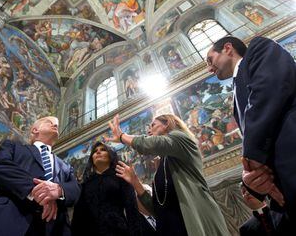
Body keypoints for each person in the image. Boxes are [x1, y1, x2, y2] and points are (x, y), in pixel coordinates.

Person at [206, 36, 295, 221]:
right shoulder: (237, 93)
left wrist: (250, 162)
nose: (209, 68)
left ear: (228, 48)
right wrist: (255, 181)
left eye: (210, 59)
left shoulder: (259, 48)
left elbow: (268, 92)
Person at [108, 114, 229, 236]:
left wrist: (122, 136)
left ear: (167, 124)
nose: (149, 130)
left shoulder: (181, 138)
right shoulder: (161, 168)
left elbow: (151, 144)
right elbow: (158, 209)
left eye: (153, 125)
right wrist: (135, 182)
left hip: (192, 223)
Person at [0, 116, 80, 236]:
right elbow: (0, 167)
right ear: (34, 130)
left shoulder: (66, 166)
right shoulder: (13, 147)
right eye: (50, 122)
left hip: (53, 228)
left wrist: (59, 190)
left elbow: (76, 189)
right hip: (6, 219)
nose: (55, 126)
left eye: (57, 125)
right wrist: (39, 191)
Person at [71, 141, 141, 236]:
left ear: (110, 155)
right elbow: (78, 217)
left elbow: (132, 210)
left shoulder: (121, 177)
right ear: (92, 159)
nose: (98, 152)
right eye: (95, 151)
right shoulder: (85, 184)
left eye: (103, 150)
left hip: (118, 231)